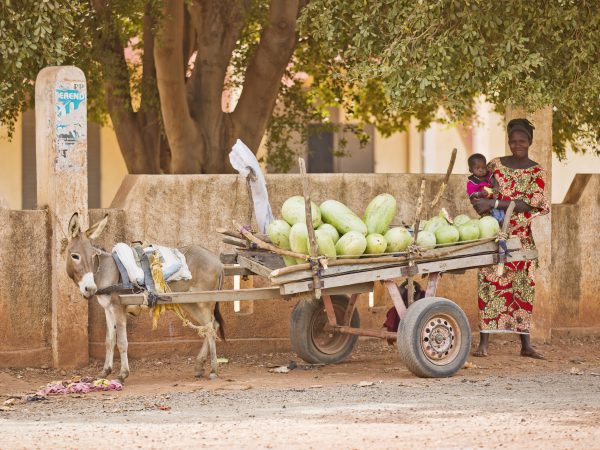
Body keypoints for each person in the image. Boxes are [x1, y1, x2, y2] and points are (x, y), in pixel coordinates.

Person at [470, 118, 549, 359]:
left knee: (523, 288)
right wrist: (481, 204)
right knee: (488, 283)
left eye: (522, 140)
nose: (517, 144)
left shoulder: (537, 171)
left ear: (530, 142)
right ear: (508, 141)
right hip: (494, 234)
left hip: (521, 238)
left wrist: (495, 202)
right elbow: (481, 187)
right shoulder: (495, 165)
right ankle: (484, 343)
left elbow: (529, 204)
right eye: (513, 140)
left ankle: (525, 345)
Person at [466, 153, 505, 223]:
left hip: (493, 200)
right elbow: (471, 194)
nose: (481, 170)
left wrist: (496, 187)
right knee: (492, 217)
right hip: (483, 204)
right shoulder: (472, 182)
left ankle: (502, 221)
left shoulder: (488, 175)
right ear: (471, 170)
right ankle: (498, 222)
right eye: (477, 168)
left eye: (483, 168)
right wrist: (480, 194)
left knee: (501, 210)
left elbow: (495, 182)